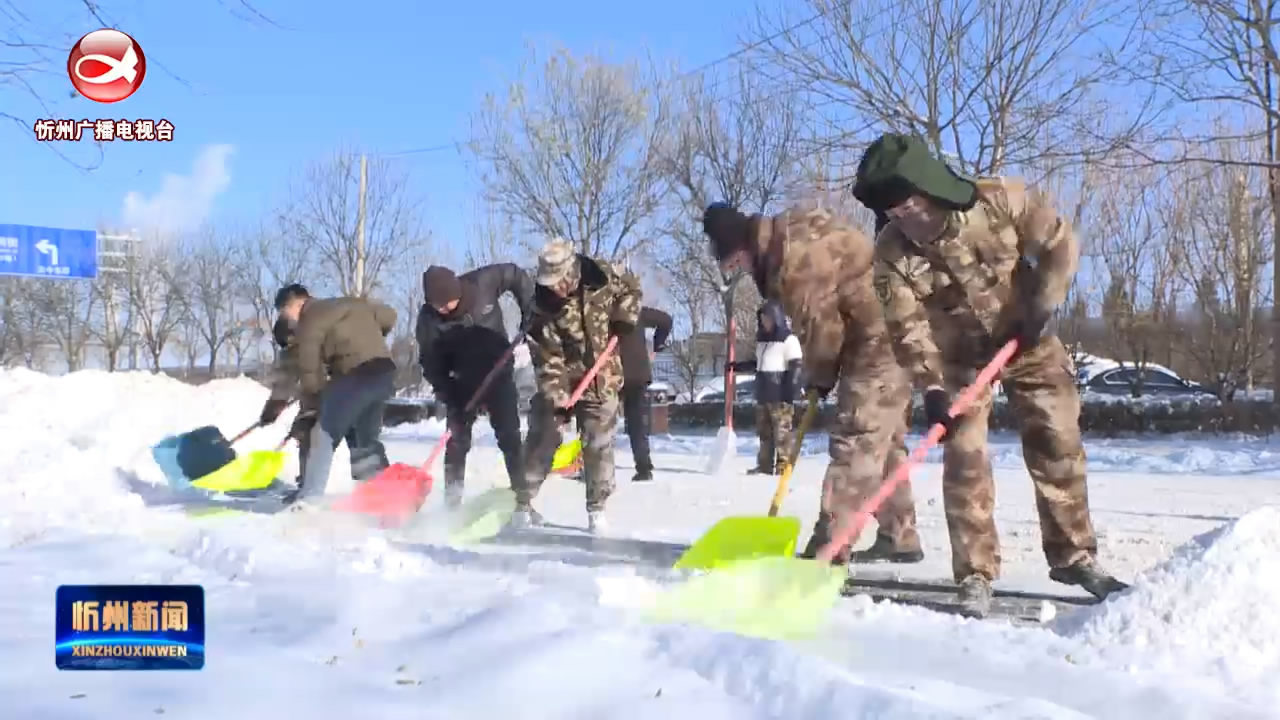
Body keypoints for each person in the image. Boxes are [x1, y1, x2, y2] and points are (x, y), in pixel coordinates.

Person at [850, 132, 1128, 611]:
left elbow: (1062, 244)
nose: (906, 223)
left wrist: (1041, 305)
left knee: (1057, 440)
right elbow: (906, 327)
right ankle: (975, 574)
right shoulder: (891, 255)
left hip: (1029, 338)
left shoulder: (1000, 200)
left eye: (911, 208)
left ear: (931, 189)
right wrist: (932, 387)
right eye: (894, 215)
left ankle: (1074, 556)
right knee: (964, 457)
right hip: (960, 357)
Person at [701, 202, 924, 566]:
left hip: (879, 337)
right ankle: (898, 533)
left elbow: (824, 330)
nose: (737, 270)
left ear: (740, 248)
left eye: (734, 263)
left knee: (857, 437)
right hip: (886, 324)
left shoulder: (791, 262)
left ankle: (830, 545)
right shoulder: (788, 226)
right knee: (881, 440)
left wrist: (819, 377)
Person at [515, 237, 642, 533]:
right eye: (550, 283)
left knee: (598, 441)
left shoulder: (603, 274)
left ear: (572, 270)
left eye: (559, 281)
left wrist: (625, 316)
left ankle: (597, 508)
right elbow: (547, 359)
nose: (555, 288)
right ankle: (522, 503)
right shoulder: (541, 308)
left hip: (603, 372)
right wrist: (558, 398)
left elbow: (633, 287)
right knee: (543, 435)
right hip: (563, 373)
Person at [417, 263, 534, 509]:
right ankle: (452, 504)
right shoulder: (428, 320)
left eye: (447, 303)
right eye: (437, 306)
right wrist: (448, 394)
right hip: (460, 383)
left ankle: (523, 502)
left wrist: (529, 310)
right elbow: (430, 363)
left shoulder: (483, 282)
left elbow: (515, 275)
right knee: (457, 441)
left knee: (510, 437)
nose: (444, 309)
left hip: (498, 372)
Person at [273, 283, 399, 505]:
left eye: (285, 313)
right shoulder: (350, 303)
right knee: (365, 440)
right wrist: (368, 338)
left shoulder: (309, 318)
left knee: (324, 434)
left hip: (356, 375)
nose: (288, 319)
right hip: (384, 372)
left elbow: (309, 367)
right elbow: (389, 316)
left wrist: (316, 399)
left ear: (296, 304)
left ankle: (309, 500)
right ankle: (386, 499)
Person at [727, 299, 803, 475]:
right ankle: (764, 464)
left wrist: (791, 392)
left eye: (767, 319)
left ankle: (783, 465)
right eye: (762, 319)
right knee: (764, 433)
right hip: (763, 393)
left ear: (776, 318)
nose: (764, 323)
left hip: (780, 394)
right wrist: (737, 366)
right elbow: (760, 364)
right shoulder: (762, 341)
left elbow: (796, 367)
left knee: (782, 433)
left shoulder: (789, 340)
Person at [258, 313, 314, 492]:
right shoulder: (293, 352)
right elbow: (285, 383)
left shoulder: (312, 345)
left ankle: (309, 489)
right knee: (305, 432)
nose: (288, 345)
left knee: (306, 431)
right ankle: (308, 485)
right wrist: (272, 410)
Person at [616, 305, 672, 482]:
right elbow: (666, 320)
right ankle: (643, 467)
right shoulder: (635, 310)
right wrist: (658, 343)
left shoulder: (598, 310)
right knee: (636, 423)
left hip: (612, 374)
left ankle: (591, 466)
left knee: (596, 419)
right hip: (636, 372)